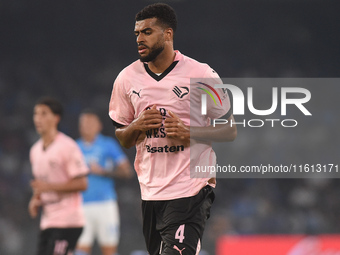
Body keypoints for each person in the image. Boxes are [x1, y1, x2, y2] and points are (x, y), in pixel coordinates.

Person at [108, 3, 237, 255]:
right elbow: (123, 137)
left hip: (191, 188)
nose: (139, 39)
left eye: (147, 32)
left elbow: (229, 129)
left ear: (167, 34)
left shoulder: (201, 73)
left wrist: (191, 133)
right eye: (137, 34)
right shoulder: (126, 78)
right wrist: (138, 126)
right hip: (151, 191)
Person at [28, 97, 89, 255]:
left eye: (44, 114)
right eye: (36, 114)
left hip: (68, 221)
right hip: (48, 221)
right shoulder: (34, 151)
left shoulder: (67, 147)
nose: (38, 118)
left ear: (56, 118)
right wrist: (36, 199)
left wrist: (48, 187)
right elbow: (41, 184)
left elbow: (82, 184)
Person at [75, 109, 133, 255]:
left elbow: (127, 171)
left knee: (109, 250)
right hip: (81, 205)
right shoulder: (74, 148)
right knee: (81, 250)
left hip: (105, 204)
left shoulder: (108, 145)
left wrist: (104, 172)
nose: (87, 127)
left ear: (99, 126)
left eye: (90, 123)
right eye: (84, 124)